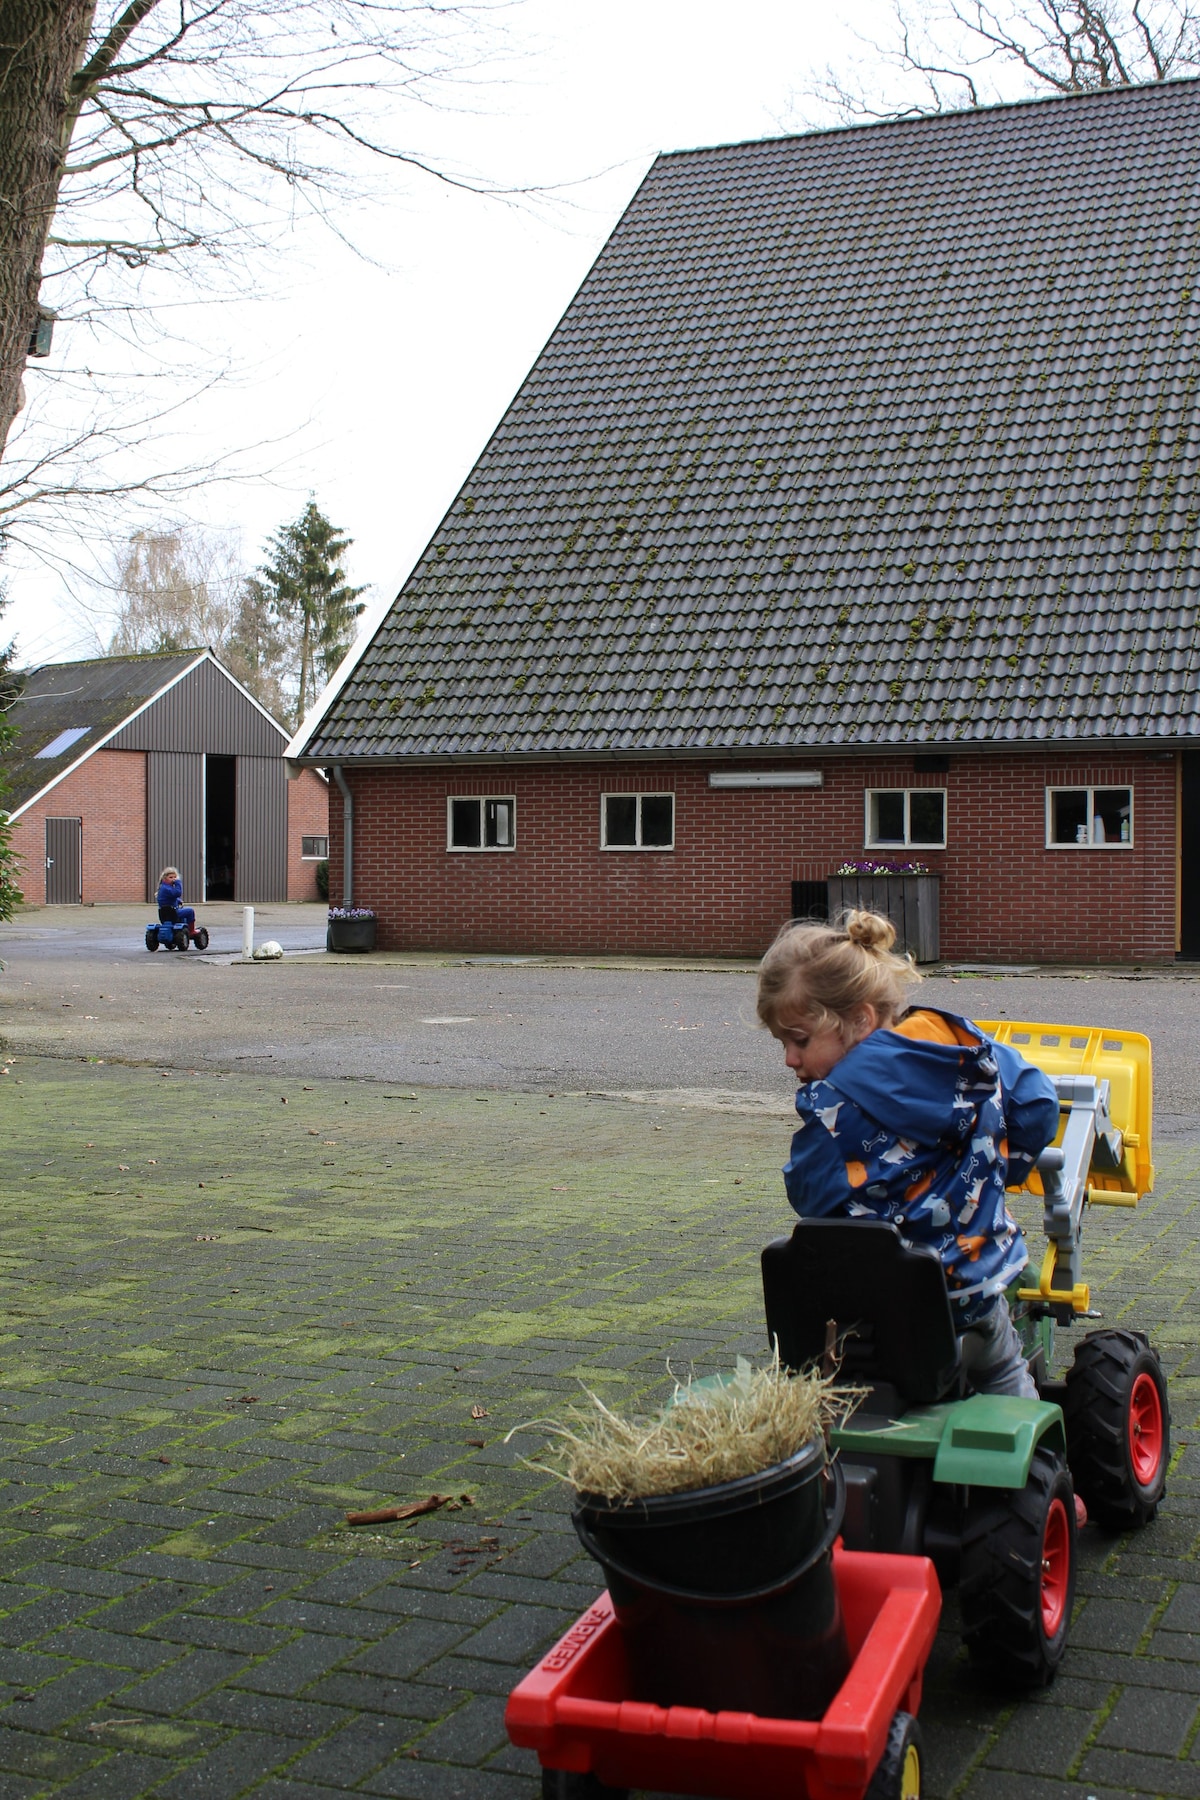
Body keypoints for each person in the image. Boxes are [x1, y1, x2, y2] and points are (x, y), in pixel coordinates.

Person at [757, 910, 1060, 1398]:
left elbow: (808, 1193)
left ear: (859, 1020)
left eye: (799, 1041)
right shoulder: (964, 1046)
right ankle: (1030, 1453)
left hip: (899, 1313)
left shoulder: (836, 1110)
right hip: (978, 1291)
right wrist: (1000, 1168)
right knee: (1007, 1376)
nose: (790, 1059)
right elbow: (1038, 1104)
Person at [156, 866, 197, 937]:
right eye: (171, 877)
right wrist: (178, 883)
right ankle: (191, 931)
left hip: (164, 914)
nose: (173, 879)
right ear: (165, 878)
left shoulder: (162, 888)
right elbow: (177, 893)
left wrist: (178, 901)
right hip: (173, 913)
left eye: (175, 877)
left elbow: (169, 898)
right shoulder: (167, 888)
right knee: (190, 911)